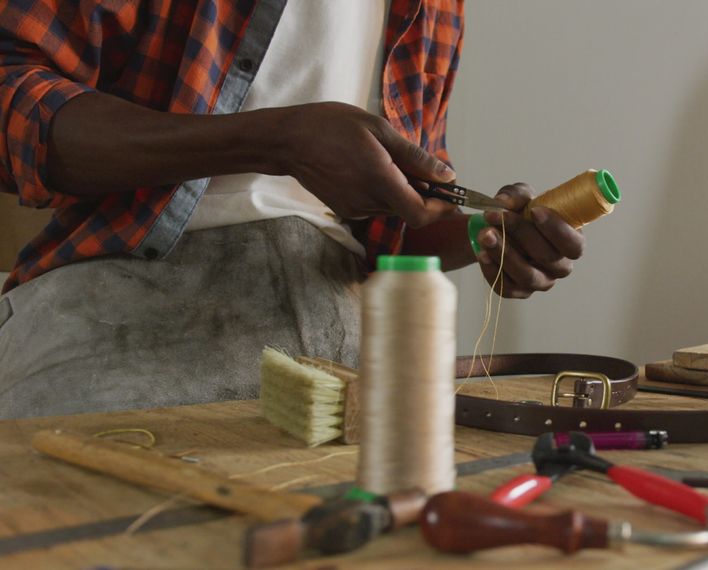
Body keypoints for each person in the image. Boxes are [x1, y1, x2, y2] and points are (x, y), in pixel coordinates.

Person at [0, 0, 584, 419]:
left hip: (343, 345)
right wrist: (272, 141)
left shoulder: (437, 8)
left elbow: (394, 232)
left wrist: (483, 233)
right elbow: (10, 91)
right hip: (117, 324)